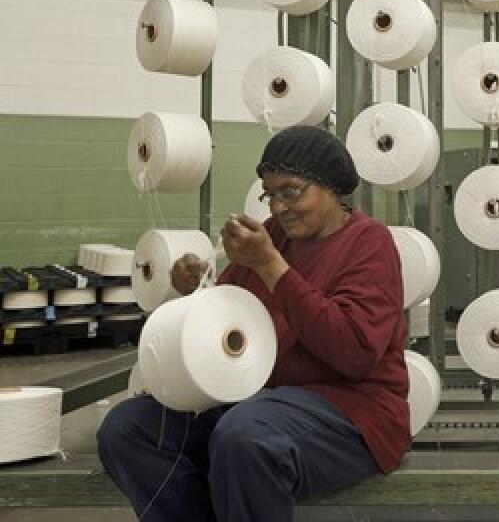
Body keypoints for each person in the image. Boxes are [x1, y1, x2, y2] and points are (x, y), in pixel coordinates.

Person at [98, 125, 410, 522]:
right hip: (261, 404)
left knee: (246, 436)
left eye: (292, 191)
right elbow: (223, 321)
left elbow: (354, 353)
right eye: (271, 194)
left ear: (331, 187)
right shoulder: (274, 239)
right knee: (128, 429)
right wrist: (195, 290)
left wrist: (270, 266)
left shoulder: (369, 243)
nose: (279, 207)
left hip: (353, 413)